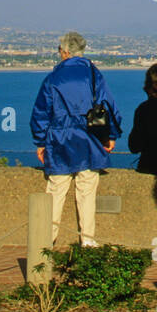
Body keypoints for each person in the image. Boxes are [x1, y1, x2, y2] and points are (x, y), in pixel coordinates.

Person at [30, 31, 121, 247]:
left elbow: (41, 112)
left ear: (65, 51)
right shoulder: (93, 74)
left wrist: (40, 142)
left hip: (59, 139)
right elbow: (108, 106)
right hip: (89, 139)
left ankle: (46, 241)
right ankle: (88, 241)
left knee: (55, 191)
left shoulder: (53, 78)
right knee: (87, 192)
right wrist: (111, 135)